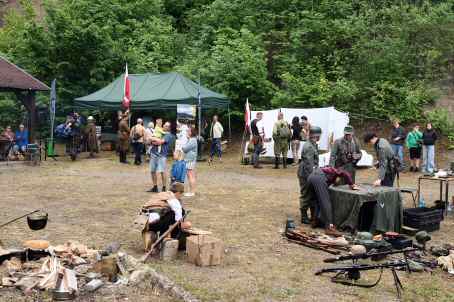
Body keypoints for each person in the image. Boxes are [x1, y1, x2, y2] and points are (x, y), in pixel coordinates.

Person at [307, 167, 359, 236]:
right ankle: (329, 227)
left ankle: (314, 221)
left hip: (310, 177)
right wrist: (351, 184)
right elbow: (346, 173)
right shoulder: (337, 171)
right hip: (318, 178)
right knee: (326, 202)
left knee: (315, 201)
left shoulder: (328, 173)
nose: (338, 182)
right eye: (339, 180)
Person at [141, 182, 188, 251]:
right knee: (179, 212)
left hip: (143, 221)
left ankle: (152, 236)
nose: (180, 196)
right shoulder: (173, 198)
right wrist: (182, 225)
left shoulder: (161, 194)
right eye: (181, 194)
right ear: (178, 193)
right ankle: (166, 238)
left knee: (168, 215)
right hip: (154, 223)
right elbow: (178, 217)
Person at [297, 126, 322, 224]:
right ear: (316, 135)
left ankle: (313, 216)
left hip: (309, 172)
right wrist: (312, 178)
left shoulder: (313, 144)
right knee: (306, 194)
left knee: (312, 194)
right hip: (306, 174)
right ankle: (304, 216)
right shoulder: (309, 146)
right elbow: (309, 164)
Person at [148, 122, 173, 193]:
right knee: (152, 171)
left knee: (162, 171)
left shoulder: (168, 135)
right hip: (154, 153)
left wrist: (153, 139)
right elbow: (150, 141)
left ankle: (164, 187)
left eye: (165, 126)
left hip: (162, 155)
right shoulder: (160, 133)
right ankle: (155, 187)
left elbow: (160, 142)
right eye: (164, 125)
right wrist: (154, 140)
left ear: (168, 128)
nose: (163, 126)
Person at [182, 126, 198, 197]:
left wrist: (181, 145)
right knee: (191, 176)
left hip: (190, 160)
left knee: (190, 176)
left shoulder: (192, 140)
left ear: (191, 132)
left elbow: (185, 149)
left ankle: (192, 192)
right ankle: (192, 191)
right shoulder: (191, 139)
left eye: (188, 131)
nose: (187, 132)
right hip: (190, 160)